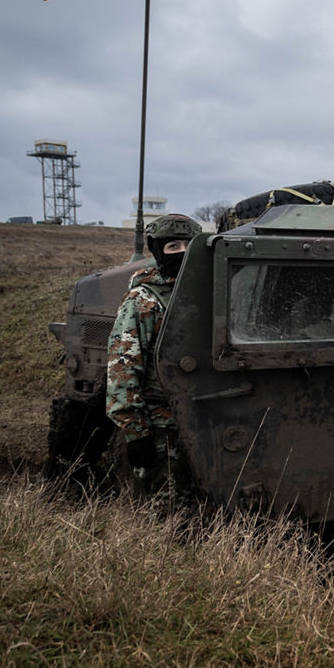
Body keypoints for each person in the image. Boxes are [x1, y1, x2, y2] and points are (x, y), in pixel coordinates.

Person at [106, 213, 202, 513]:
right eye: (173, 246)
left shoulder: (206, 292)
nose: (183, 253)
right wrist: (136, 433)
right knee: (168, 510)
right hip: (161, 424)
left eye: (190, 245)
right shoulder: (143, 300)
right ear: (158, 251)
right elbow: (122, 370)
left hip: (203, 417)